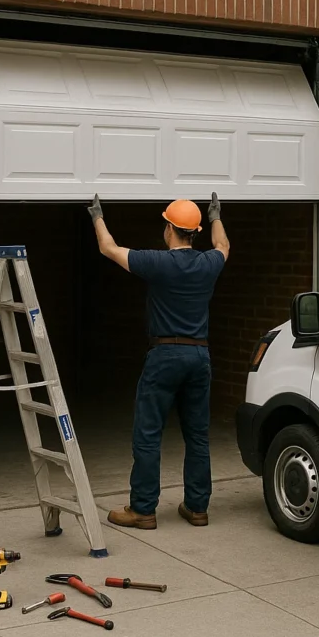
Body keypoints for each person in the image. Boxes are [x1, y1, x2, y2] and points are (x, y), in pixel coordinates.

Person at [88, 192, 229, 530]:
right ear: (194, 232)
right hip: (199, 355)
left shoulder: (158, 262)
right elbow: (223, 245)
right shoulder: (209, 262)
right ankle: (197, 508)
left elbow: (108, 248)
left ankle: (143, 510)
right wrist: (215, 217)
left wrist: (96, 216)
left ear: (169, 228)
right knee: (197, 434)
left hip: (164, 354)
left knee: (148, 433)